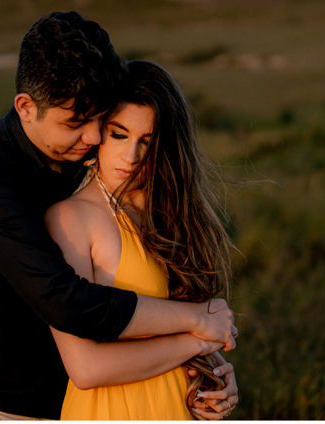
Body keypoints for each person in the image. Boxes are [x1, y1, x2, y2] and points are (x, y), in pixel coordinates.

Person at [0, 12, 239, 420]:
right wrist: (197, 324)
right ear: (26, 107)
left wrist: (209, 368)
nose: (94, 137)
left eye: (99, 120)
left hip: (72, 407)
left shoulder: (86, 160)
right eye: (76, 123)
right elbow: (68, 302)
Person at [45, 60, 235, 420]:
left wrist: (215, 374)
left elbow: (187, 321)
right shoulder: (71, 219)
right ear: (98, 132)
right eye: (119, 135)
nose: (131, 157)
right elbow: (86, 368)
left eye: (147, 142)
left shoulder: (171, 216)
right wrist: (197, 339)